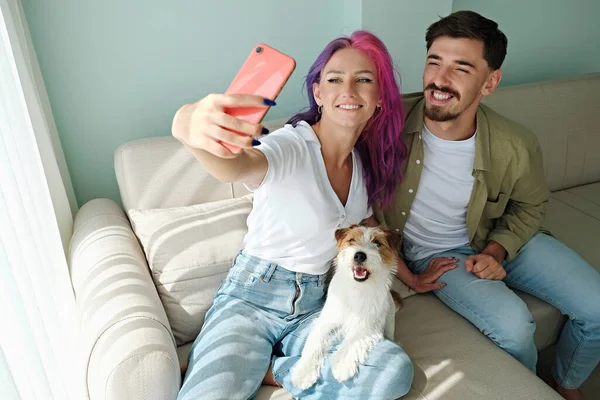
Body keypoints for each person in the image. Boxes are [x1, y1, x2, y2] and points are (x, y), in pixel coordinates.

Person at [171, 31, 414, 400]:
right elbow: (235, 166)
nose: (348, 90)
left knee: (391, 373)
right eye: (334, 79)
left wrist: (411, 275)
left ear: (379, 97)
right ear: (318, 93)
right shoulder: (291, 146)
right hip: (250, 300)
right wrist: (188, 123)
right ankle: (247, 363)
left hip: (315, 307)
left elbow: (365, 230)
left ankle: (269, 368)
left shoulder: (363, 166)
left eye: (363, 80)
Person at [374, 10, 600, 400]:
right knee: (514, 328)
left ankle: (565, 383)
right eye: (434, 62)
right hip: (439, 253)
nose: (440, 81)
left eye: (461, 68)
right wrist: (407, 272)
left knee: (597, 308)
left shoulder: (515, 143)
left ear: (490, 81)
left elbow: (530, 206)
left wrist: (498, 249)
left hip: (499, 236)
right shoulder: (385, 133)